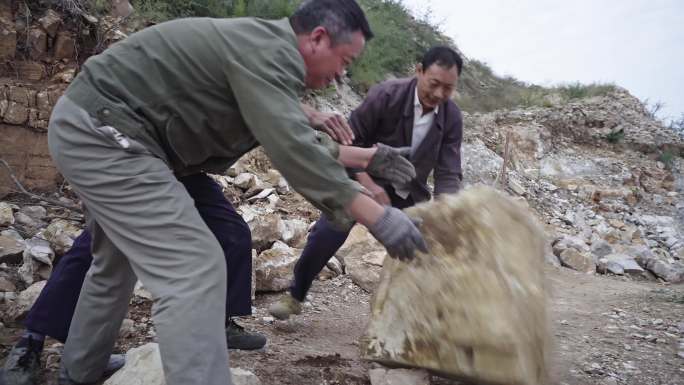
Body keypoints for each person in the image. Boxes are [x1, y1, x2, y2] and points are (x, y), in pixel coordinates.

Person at [45, 1, 427, 384]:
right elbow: (293, 148)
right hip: (106, 135)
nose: (342, 74)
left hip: (97, 126)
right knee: (193, 265)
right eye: (344, 61)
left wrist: (368, 158)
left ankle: (80, 370)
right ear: (318, 38)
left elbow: (286, 132)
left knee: (114, 263)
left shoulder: (264, 52)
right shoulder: (270, 52)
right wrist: (378, 217)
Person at [1, 173, 263, 385]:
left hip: (182, 165)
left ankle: (221, 323)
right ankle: (30, 345)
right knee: (99, 246)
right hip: (132, 158)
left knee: (232, 231)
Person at [269, 45, 465, 320]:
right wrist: (369, 185)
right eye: (434, 84)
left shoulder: (452, 116)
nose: (439, 94)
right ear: (419, 71)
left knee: (423, 246)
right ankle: (296, 295)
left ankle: (416, 320)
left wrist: (447, 209)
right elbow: (348, 141)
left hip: (409, 191)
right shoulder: (386, 95)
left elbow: (448, 171)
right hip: (362, 178)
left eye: (448, 88)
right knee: (328, 233)